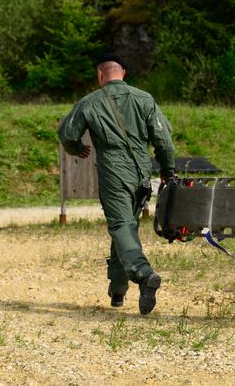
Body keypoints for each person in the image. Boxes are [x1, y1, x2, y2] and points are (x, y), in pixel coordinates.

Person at [58, 53, 176, 315]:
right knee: (127, 223)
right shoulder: (145, 98)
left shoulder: (89, 102)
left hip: (113, 170)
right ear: (123, 72)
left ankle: (144, 274)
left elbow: (67, 133)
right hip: (141, 171)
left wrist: (77, 148)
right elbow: (164, 139)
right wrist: (168, 171)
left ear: (100, 75)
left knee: (121, 224)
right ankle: (118, 290)